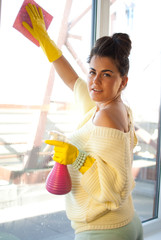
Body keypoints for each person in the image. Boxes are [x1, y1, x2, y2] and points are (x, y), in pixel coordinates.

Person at [22, 3, 144, 240]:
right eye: (92, 71)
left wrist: (76, 158)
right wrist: (45, 40)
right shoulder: (112, 107)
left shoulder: (107, 117)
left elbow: (114, 189)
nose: (95, 81)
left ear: (123, 81)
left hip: (104, 231)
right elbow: (72, 80)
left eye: (106, 74)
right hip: (124, 222)